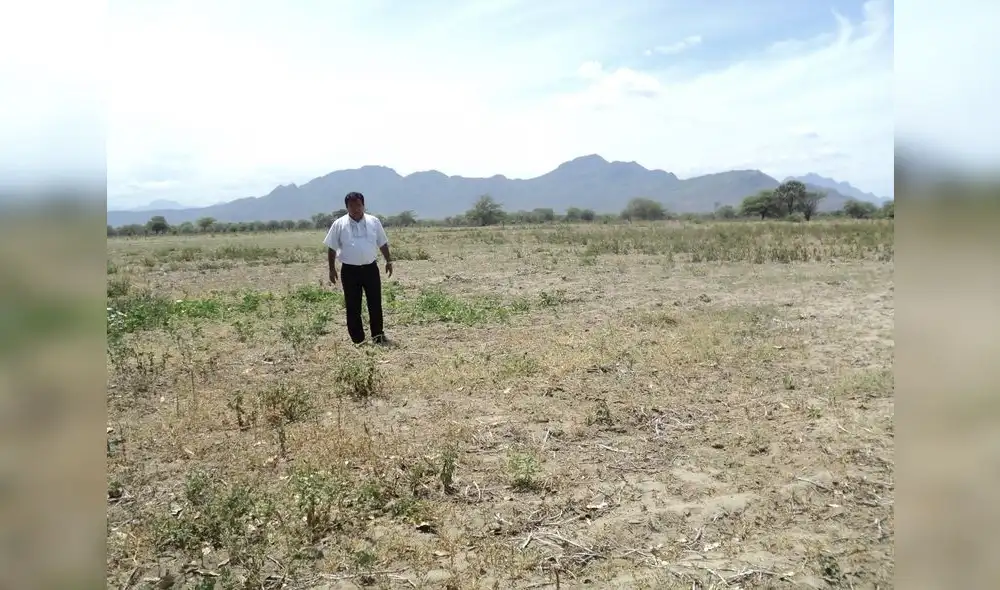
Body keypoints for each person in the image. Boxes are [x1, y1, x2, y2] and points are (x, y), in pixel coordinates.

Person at [323, 192, 393, 345]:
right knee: (352, 305)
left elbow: (382, 243)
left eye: (358, 205)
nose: (356, 209)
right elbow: (331, 248)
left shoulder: (374, 221)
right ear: (346, 207)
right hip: (349, 271)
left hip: (370, 269)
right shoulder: (339, 224)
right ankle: (358, 339)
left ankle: (378, 336)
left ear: (363, 205)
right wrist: (331, 269)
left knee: (375, 303)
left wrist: (388, 260)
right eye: (352, 206)